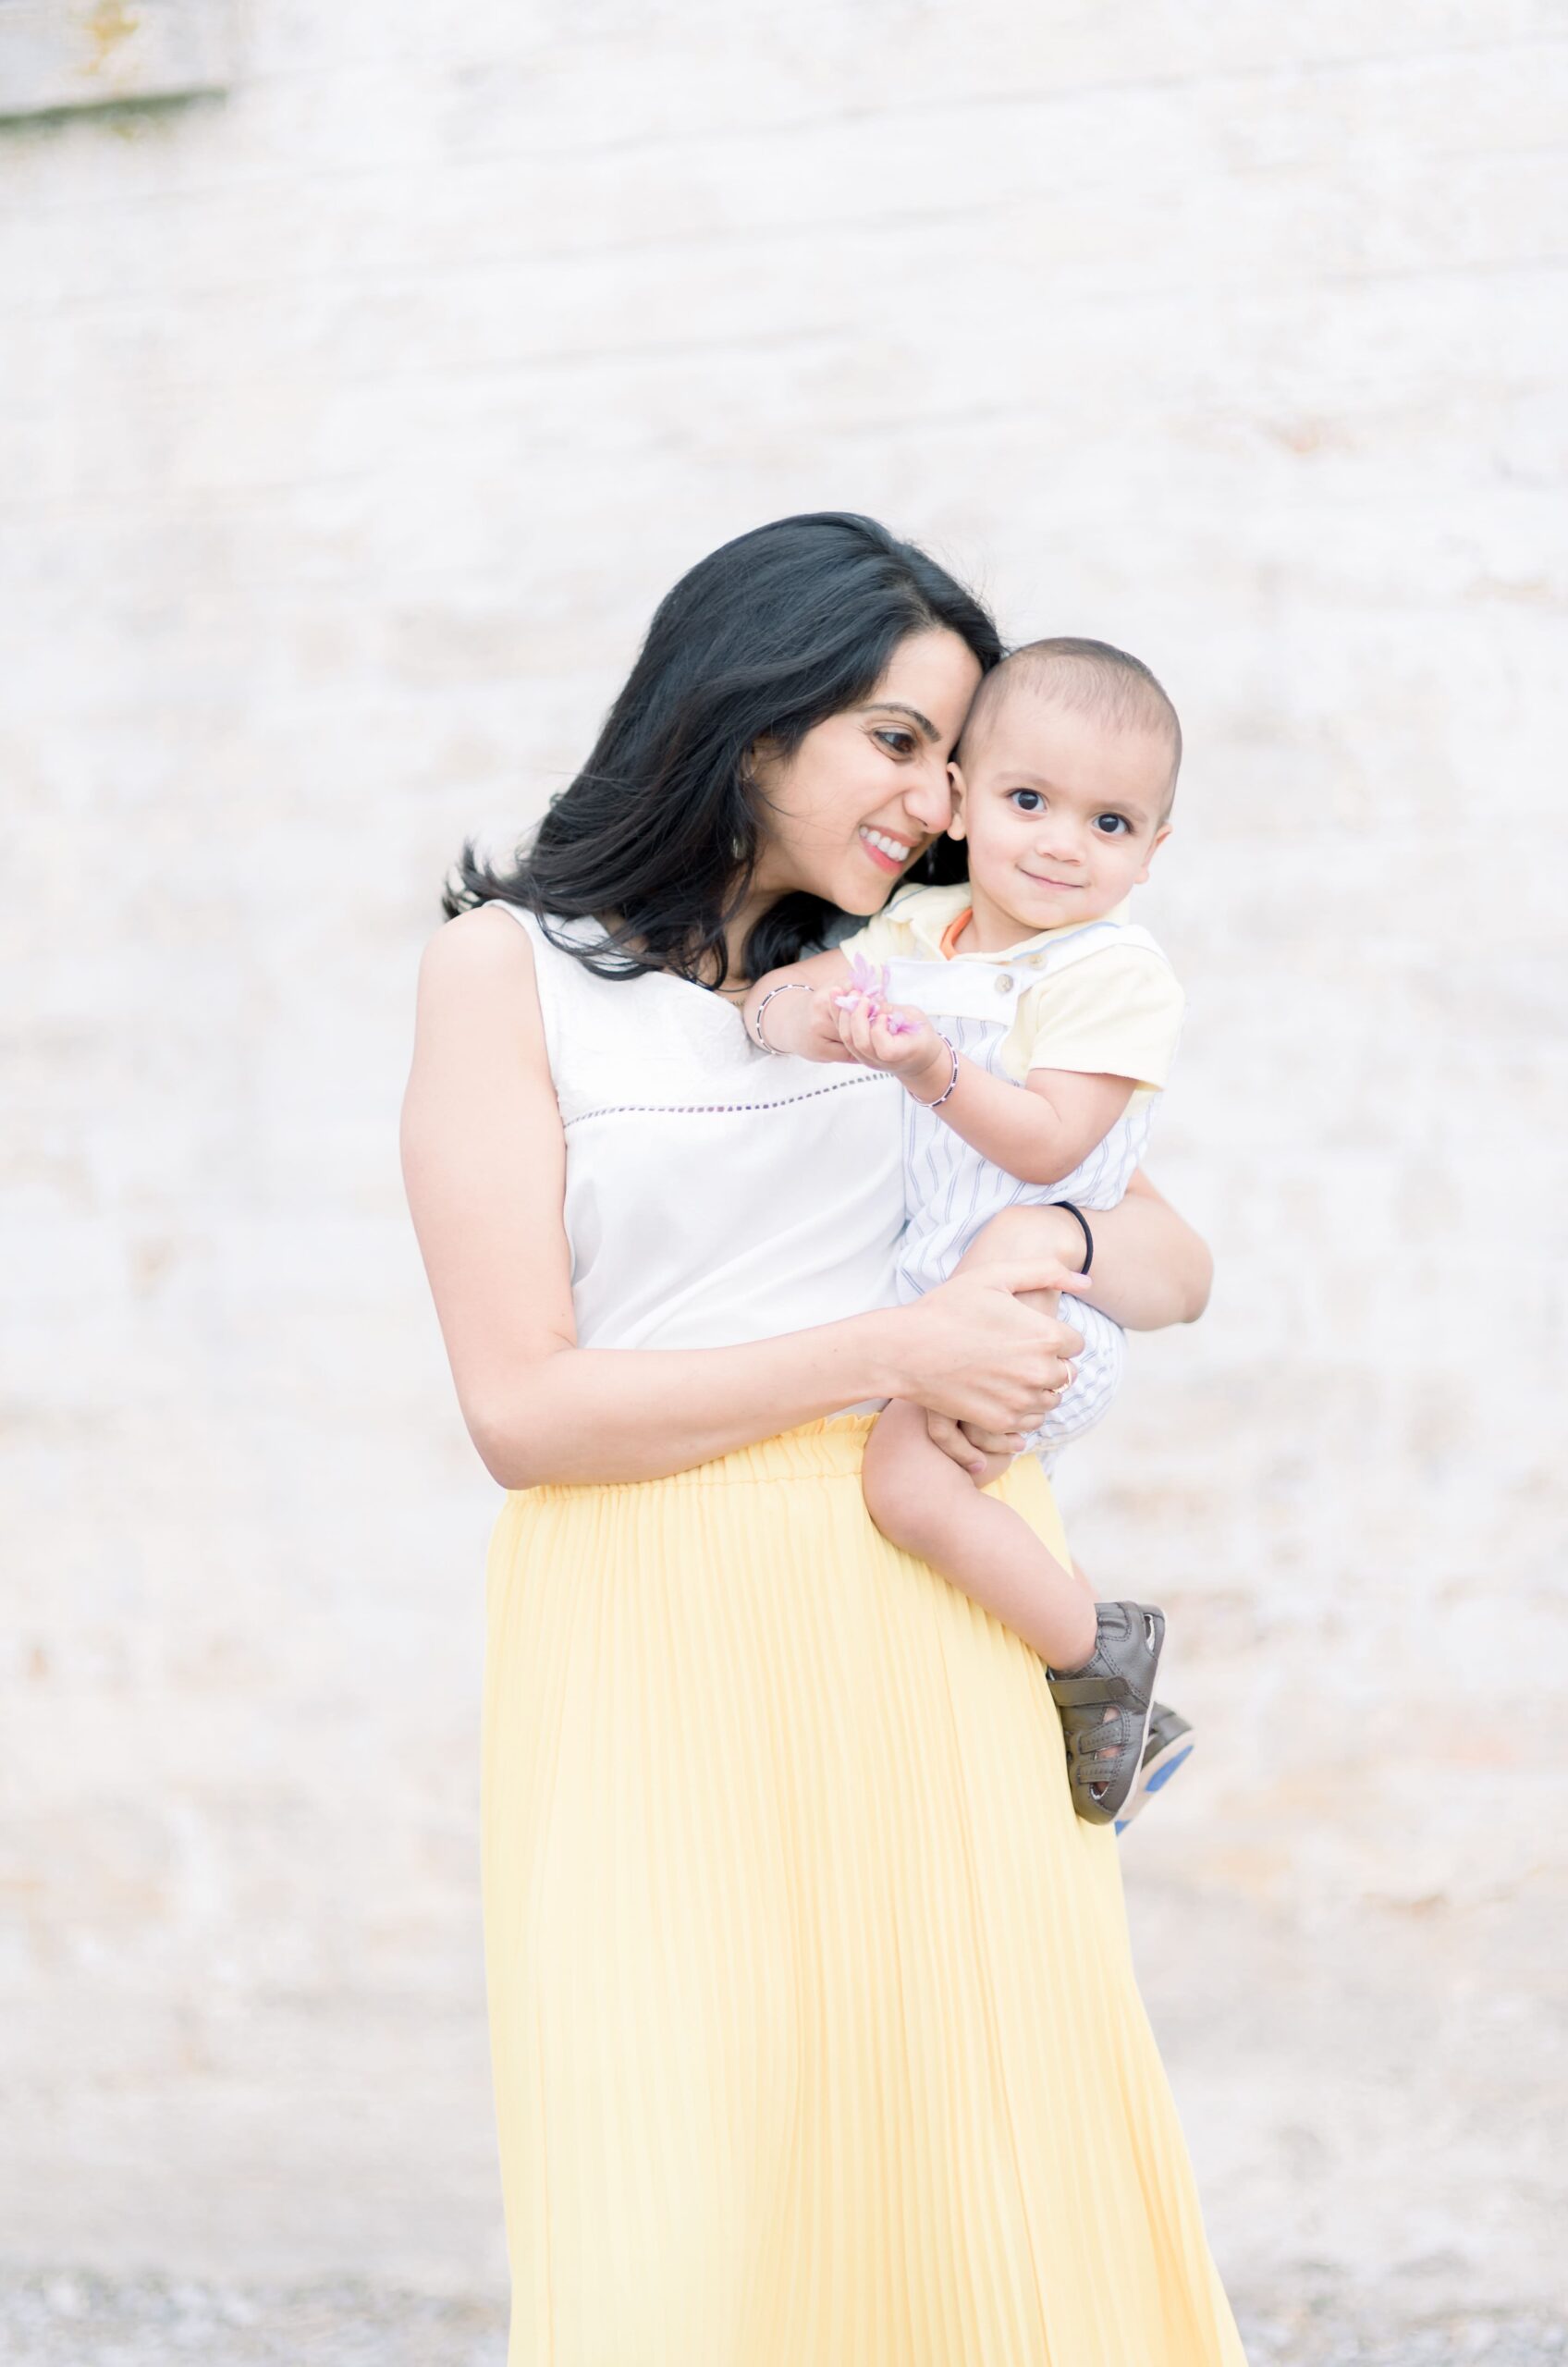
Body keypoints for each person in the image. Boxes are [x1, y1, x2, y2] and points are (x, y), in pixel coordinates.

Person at [401, 513, 1243, 2363]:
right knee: (679, 2192)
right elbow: (520, 1409)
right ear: (747, 710)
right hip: (646, 1625)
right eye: (897, 739)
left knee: (985, 2178)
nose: (939, 797)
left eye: (955, 754)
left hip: (932, 1613)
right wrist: (894, 1343)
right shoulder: (508, 972)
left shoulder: (926, 967)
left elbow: (1172, 1260)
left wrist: (1047, 1238)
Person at [741, 634, 1188, 1826]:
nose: (1061, 842)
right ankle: (1110, 1694)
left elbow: (1051, 1145)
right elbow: (791, 993)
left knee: (905, 1488)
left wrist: (928, 1067)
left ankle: (1100, 1653)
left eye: (1110, 823)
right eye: (1029, 800)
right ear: (960, 798)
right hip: (942, 1295)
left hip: (1038, 1310)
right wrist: (797, 1014)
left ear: (1153, 851)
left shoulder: (1111, 972)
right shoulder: (923, 928)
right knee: (945, 1499)